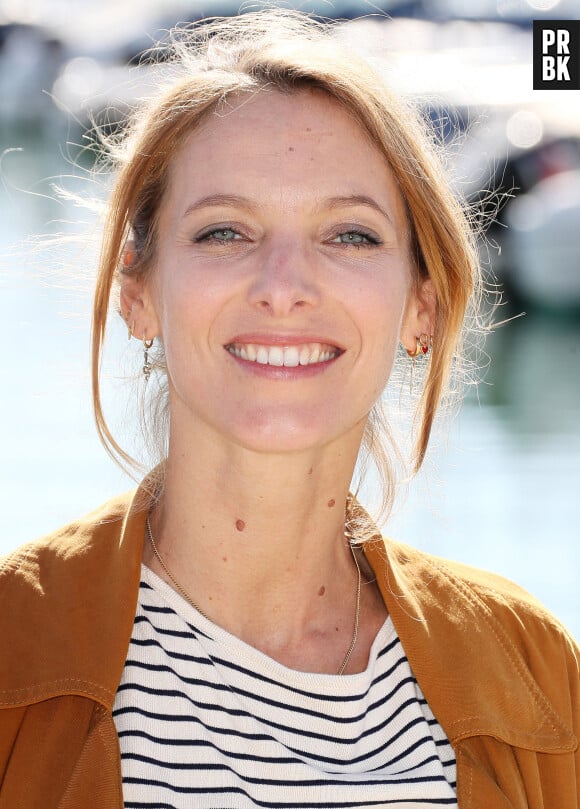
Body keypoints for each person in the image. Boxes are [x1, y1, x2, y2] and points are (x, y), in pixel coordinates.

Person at [0, 10, 577, 809]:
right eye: (225, 229)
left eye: (349, 235)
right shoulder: (12, 648)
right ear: (139, 296)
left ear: (422, 306)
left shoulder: (535, 672)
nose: (283, 284)